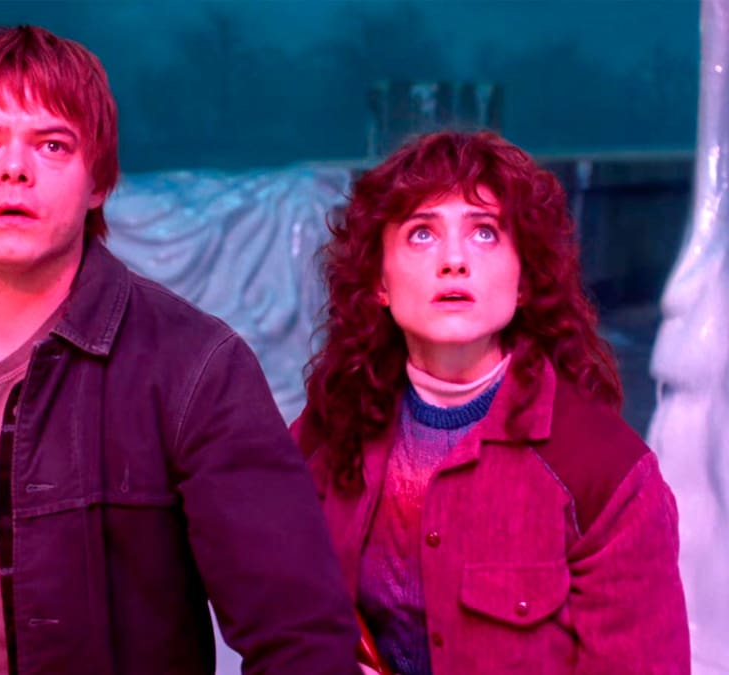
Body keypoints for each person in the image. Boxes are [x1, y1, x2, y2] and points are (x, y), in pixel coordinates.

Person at [0, 25, 360, 674]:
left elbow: (301, 639)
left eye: (52, 144)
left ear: (98, 182)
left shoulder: (195, 368)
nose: (14, 169)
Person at [294, 130, 690, 674]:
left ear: (524, 279)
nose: (454, 260)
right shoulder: (330, 427)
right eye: (421, 234)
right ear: (379, 281)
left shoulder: (606, 471)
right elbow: (277, 600)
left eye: (484, 232)